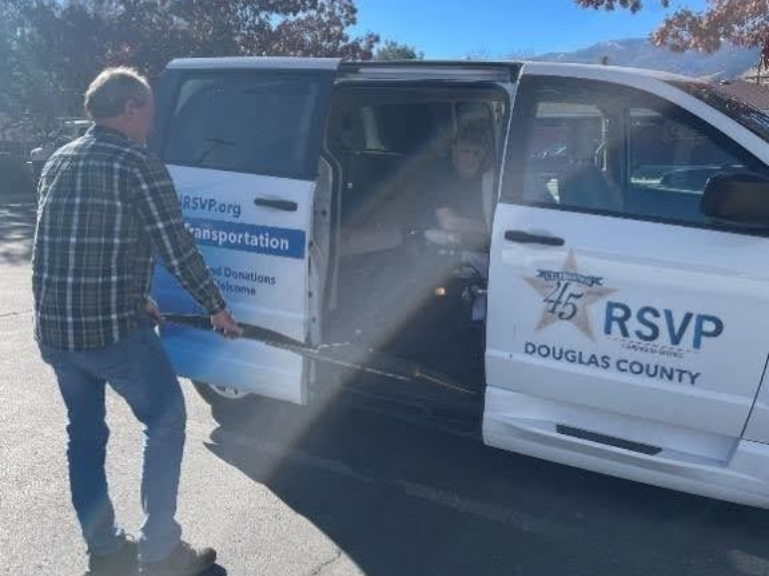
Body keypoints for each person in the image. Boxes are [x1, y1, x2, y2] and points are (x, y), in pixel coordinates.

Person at [32, 67, 243, 576]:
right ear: (129, 108)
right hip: (111, 333)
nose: (152, 120)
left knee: (84, 435)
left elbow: (69, 245)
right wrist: (215, 305)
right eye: (148, 108)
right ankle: (161, 552)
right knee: (166, 419)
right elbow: (175, 244)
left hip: (57, 332)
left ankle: (105, 549)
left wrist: (138, 294)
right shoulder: (137, 162)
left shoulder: (60, 159)